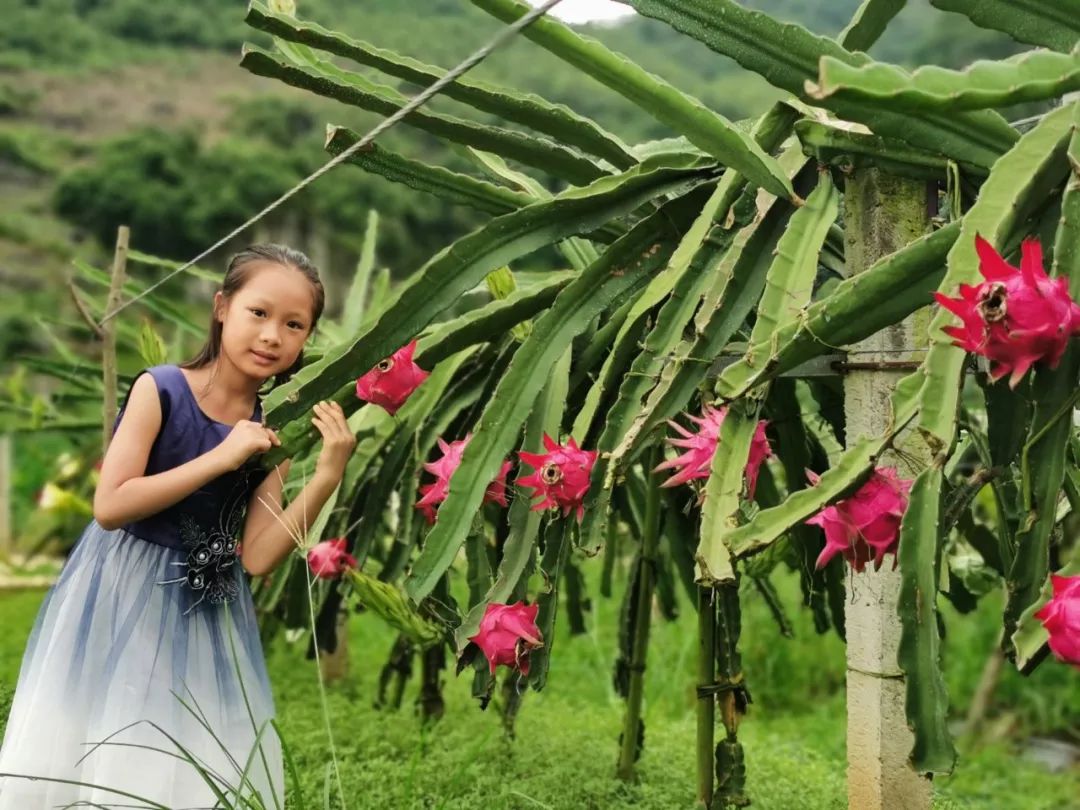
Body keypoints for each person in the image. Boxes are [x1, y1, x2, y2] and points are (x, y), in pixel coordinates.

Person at [0, 244, 357, 808]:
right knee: (112, 733)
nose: (272, 336)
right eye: (258, 313)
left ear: (305, 339)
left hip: (205, 608)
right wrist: (221, 457)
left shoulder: (273, 429)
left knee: (192, 752)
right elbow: (111, 505)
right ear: (221, 307)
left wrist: (327, 476)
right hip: (122, 584)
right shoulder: (161, 389)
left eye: (294, 325)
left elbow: (259, 556)